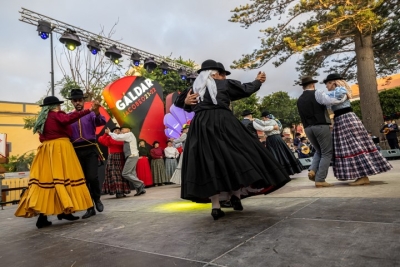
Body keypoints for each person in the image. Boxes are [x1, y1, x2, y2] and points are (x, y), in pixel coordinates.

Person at [181, 59, 291, 220]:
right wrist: (258, 81)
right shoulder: (224, 85)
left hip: (201, 127)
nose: (225, 77)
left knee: (209, 163)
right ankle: (236, 196)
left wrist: (185, 103)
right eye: (224, 74)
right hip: (223, 122)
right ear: (216, 74)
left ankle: (216, 207)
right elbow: (246, 89)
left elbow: (181, 103)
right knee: (239, 155)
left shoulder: (193, 89)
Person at [15, 96, 94, 228]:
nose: (60, 107)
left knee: (47, 182)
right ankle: (65, 210)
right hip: (60, 148)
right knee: (65, 178)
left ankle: (45, 217)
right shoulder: (56, 115)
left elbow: (41, 137)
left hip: (46, 150)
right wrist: (88, 110)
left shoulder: (42, 119)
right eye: (58, 105)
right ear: (55, 106)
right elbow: (68, 119)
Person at [319, 73, 392, 185]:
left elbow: (332, 101)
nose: (326, 86)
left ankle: (363, 176)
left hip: (346, 119)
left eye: (327, 84)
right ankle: (361, 175)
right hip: (341, 119)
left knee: (354, 146)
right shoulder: (336, 92)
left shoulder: (340, 91)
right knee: (351, 146)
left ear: (333, 82)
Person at [296, 76, 343, 188]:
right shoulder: (317, 93)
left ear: (303, 87)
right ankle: (320, 179)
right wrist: (341, 98)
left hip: (307, 128)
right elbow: (329, 101)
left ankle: (312, 170)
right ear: (313, 85)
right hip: (320, 125)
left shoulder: (299, 99)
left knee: (318, 150)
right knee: (327, 152)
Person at [69, 89, 106, 219]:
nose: (78, 102)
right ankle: (89, 207)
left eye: (80, 100)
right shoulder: (69, 116)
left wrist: (96, 112)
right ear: (72, 102)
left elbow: (102, 122)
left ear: (83, 101)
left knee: (92, 177)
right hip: (76, 151)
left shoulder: (90, 114)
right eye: (75, 100)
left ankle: (97, 199)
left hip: (90, 149)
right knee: (82, 180)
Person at [107, 124, 146, 196]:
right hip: (133, 155)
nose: (122, 131)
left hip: (132, 156)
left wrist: (110, 133)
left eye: (123, 129)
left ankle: (140, 183)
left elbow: (117, 137)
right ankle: (140, 189)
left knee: (125, 173)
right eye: (121, 129)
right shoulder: (129, 135)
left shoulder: (128, 134)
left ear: (128, 129)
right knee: (132, 173)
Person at [98, 127, 131, 198]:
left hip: (121, 157)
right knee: (114, 174)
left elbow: (120, 143)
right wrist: (106, 134)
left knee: (122, 174)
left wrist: (113, 136)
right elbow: (101, 140)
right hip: (113, 157)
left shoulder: (123, 138)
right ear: (112, 132)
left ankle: (122, 191)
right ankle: (118, 192)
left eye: (119, 130)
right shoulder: (111, 138)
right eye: (115, 130)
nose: (118, 131)